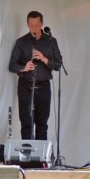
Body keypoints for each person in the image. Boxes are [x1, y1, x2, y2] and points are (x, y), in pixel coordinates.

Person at [7, 10, 62, 140]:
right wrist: (24, 68)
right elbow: (12, 66)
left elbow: (58, 65)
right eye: (31, 25)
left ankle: (40, 158)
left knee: (42, 123)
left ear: (42, 23)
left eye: (36, 25)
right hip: (25, 86)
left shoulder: (50, 41)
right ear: (27, 24)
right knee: (26, 123)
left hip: (43, 86)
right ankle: (26, 158)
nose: (34, 28)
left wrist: (44, 58)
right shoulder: (21, 42)